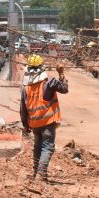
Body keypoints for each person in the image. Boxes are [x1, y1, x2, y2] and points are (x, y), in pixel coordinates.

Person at [20, 54, 68, 183]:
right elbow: (64, 89)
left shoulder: (25, 86)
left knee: (37, 147)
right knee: (47, 147)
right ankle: (41, 175)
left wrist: (25, 124)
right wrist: (61, 73)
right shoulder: (49, 82)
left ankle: (36, 173)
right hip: (47, 122)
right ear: (42, 68)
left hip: (34, 123)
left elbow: (23, 108)